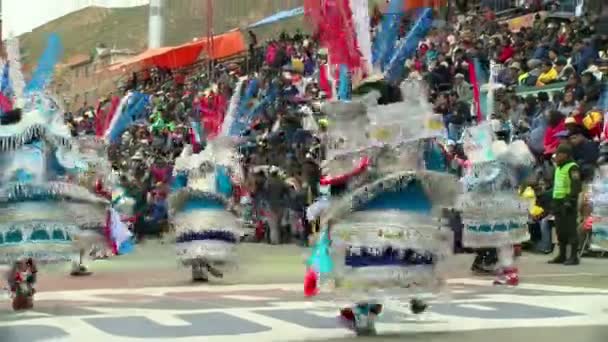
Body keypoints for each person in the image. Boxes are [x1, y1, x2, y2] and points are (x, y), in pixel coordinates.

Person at [550, 143, 582, 265]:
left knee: (570, 230)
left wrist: (570, 200)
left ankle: (574, 257)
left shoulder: (572, 167)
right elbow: (557, 186)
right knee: (560, 231)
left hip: (567, 202)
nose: (556, 156)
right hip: (557, 202)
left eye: (559, 153)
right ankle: (562, 255)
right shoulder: (558, 167)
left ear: (565, 155)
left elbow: (576, 186)